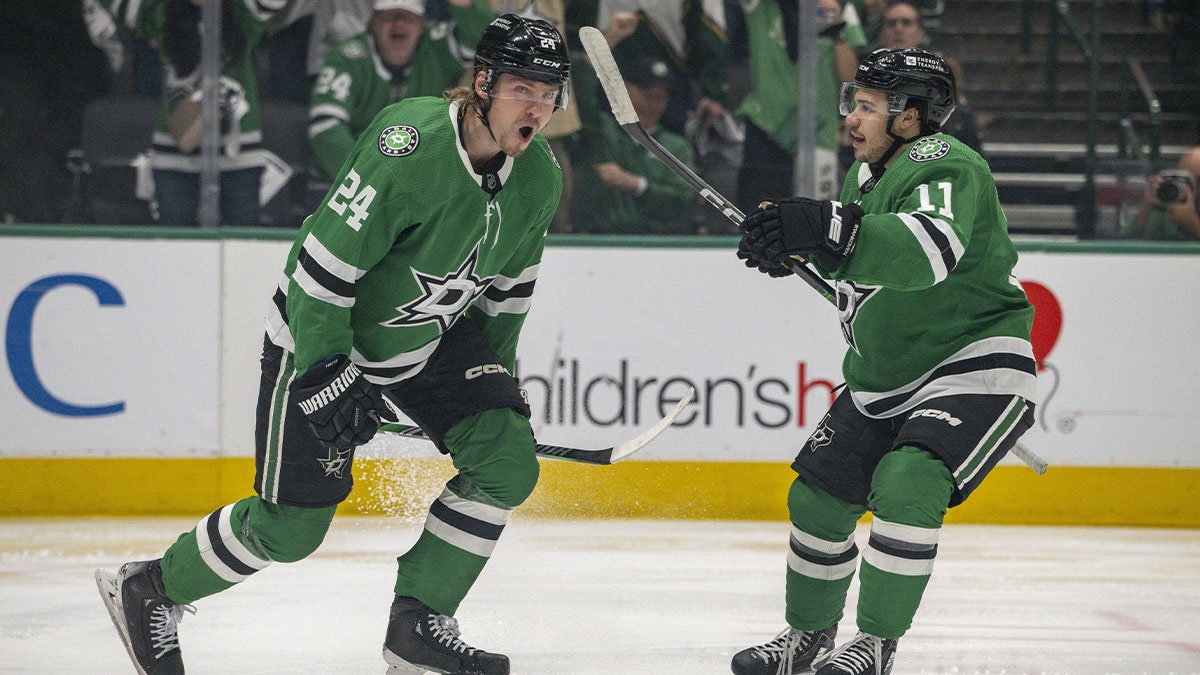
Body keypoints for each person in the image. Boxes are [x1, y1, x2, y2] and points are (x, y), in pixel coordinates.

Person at [96, 13, 570, 675]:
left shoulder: (539, 178)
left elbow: (504, 304)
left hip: (431, 339)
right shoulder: (408, 144)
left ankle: (419, 623)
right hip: (323, 333)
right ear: (483, 82)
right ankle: (152, 586)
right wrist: (324, 371)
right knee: (290, 529)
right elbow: (320, 274)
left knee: (507, 460)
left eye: (551, 93)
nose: (540, 107)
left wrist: (496, 396)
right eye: (526, 88)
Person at [730, 47, 1037, 675]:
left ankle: (873, 645)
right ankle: (807, 639)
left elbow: (929, 251)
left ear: (911, 117)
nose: (852, 118)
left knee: (907, 483)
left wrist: (826, 230)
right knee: (816, 500)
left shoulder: (945, 161)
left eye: (867, 107)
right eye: (853, 103)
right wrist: (795, 243)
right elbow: (861, 263)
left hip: (972, 362)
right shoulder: (864, 176)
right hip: (887, 375)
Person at [102, 0, 283, 228]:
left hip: (239, 154)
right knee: (175, 246)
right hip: (174, 152)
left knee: (243, 244)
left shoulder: (243, 11)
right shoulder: (159, 12)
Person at [308, 0, 495, 182]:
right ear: (372, 22)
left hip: (417, 180)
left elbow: (484, 41)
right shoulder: (349, 58)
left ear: (422, 25)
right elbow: (325, 127)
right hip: (347, 182)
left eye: (408, 17)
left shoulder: (435, 49)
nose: (399, 23)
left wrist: (464, 4)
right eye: (390, 16)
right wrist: (366, 178)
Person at [735, 0, 861, 210]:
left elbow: (851, 80)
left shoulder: (839, 6)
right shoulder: (761, 6)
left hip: (819, 133)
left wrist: (836, 28)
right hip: (767, 127)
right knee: (759, 217)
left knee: (817, 220)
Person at [0, 0, 115, 224]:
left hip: (67, 53)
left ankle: (51, 212)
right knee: (20, 133)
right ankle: (28, 212)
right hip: (18, 48)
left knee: (59, 136)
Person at [572, 57, 696, 233]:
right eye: (647, 96)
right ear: (627, 91)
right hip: (597, 241)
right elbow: (580, 97)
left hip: (655, 243)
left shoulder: (676, 146)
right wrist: (597, 52)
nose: (652, 105)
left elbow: (682, 199)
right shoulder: (601, 130)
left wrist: (638, 185)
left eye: (660, 99)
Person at [1135, 146, 1200, 239]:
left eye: (1198, 180)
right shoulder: (1163, 214)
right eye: (1185, 179)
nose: (1191, 186)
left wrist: (1193, 225)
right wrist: (1145, 208)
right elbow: (1124, 245)